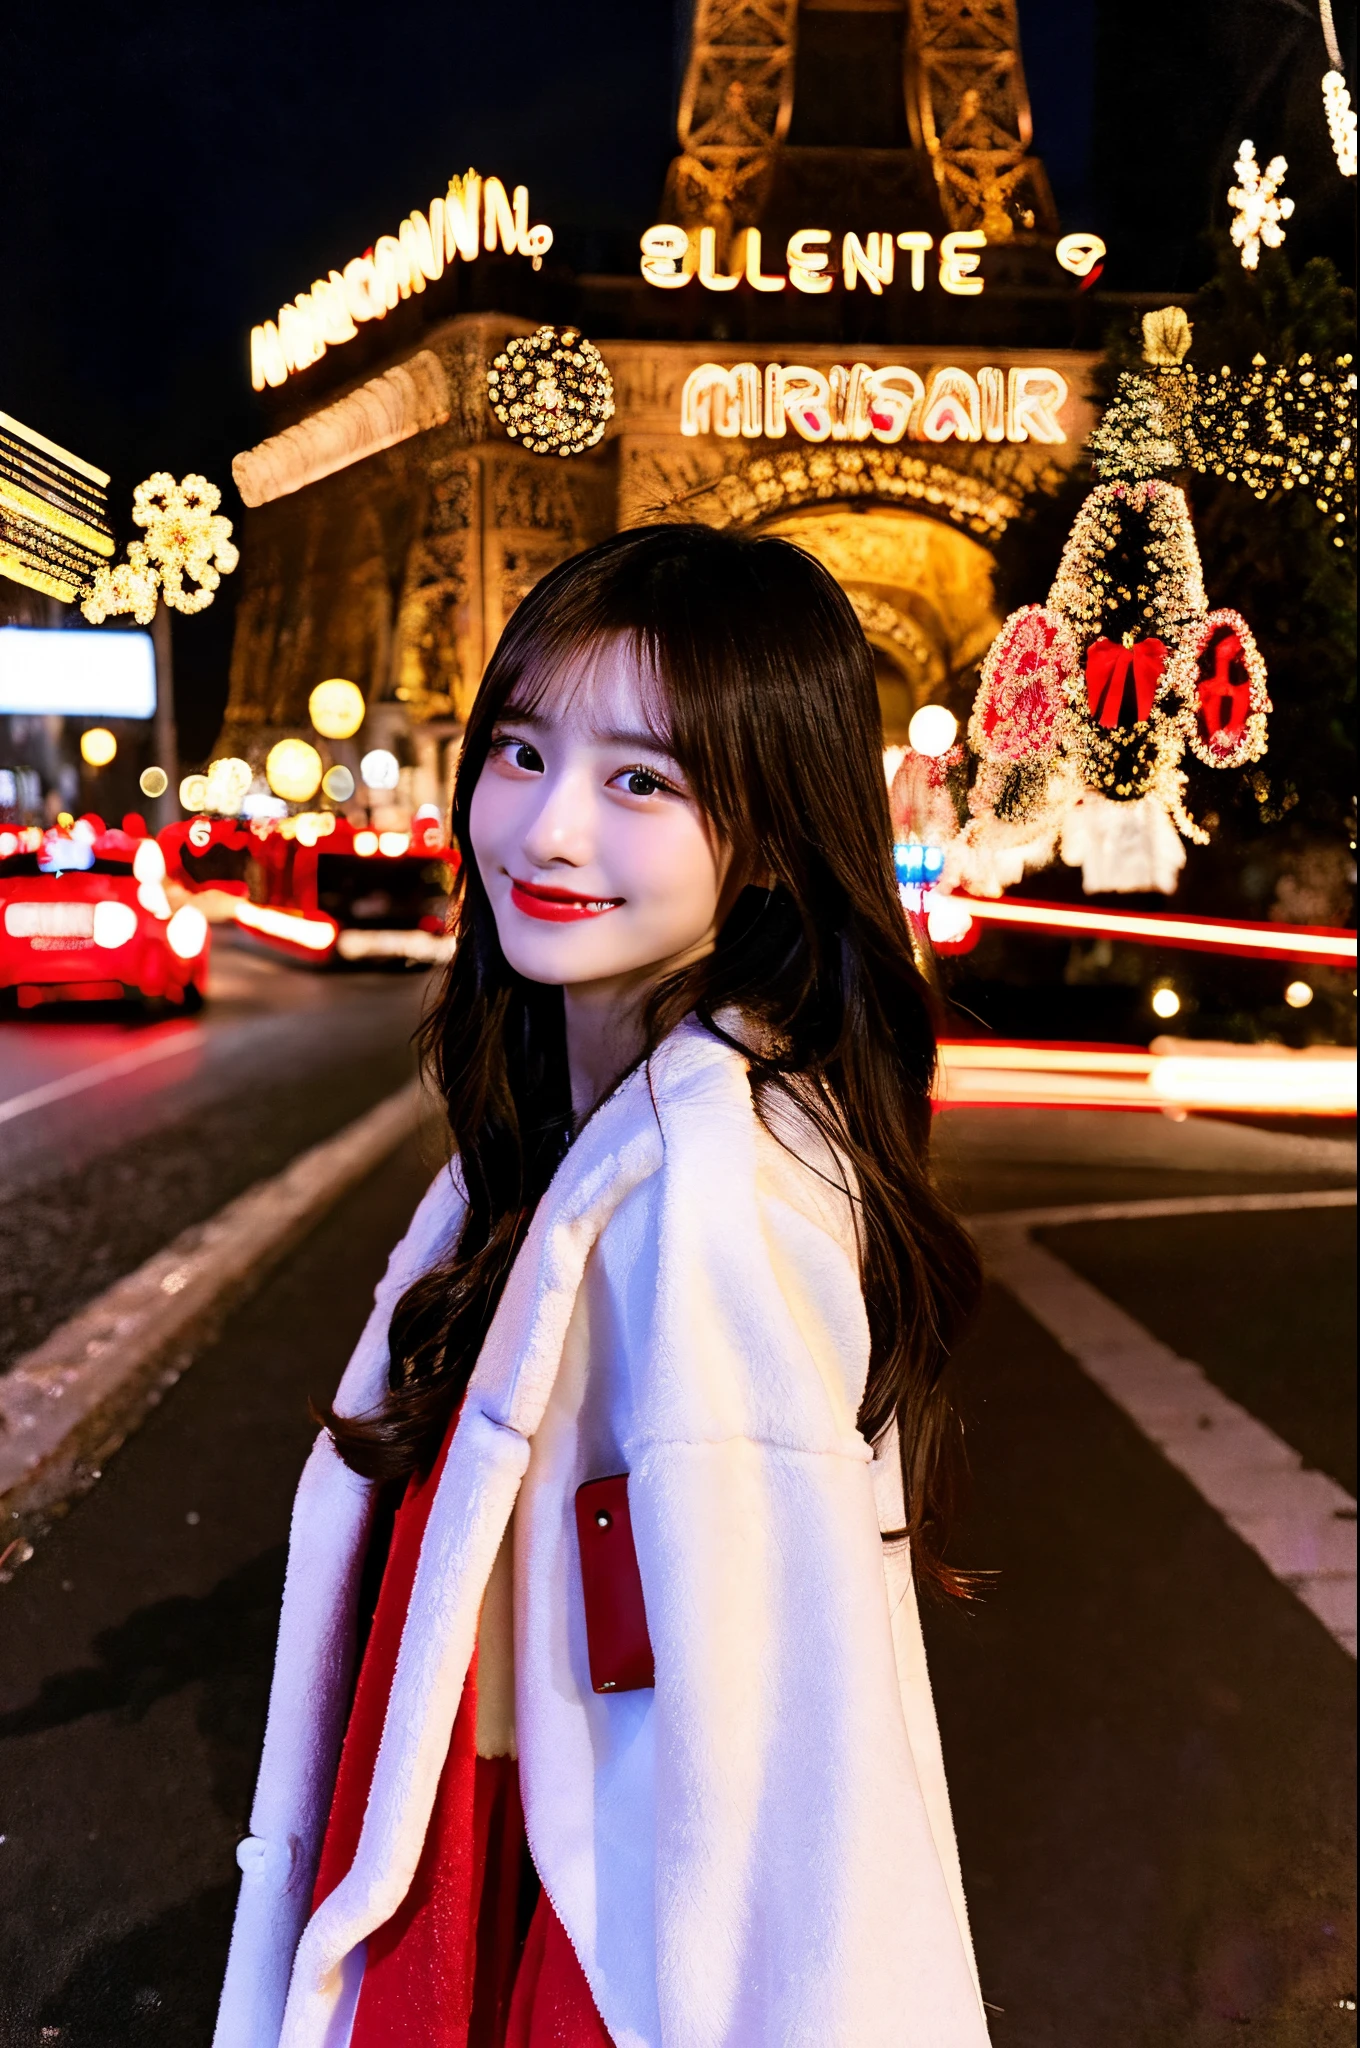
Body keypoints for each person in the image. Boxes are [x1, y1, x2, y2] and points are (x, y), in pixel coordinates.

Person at [213, 525, 990, 2048]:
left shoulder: (708, 1196)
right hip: (499, 1894)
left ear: (772, 831)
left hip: (576, 1959)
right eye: (521, 750)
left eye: (643, 779)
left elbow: (777, 1811)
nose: (548, 829)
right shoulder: (561, 1155)